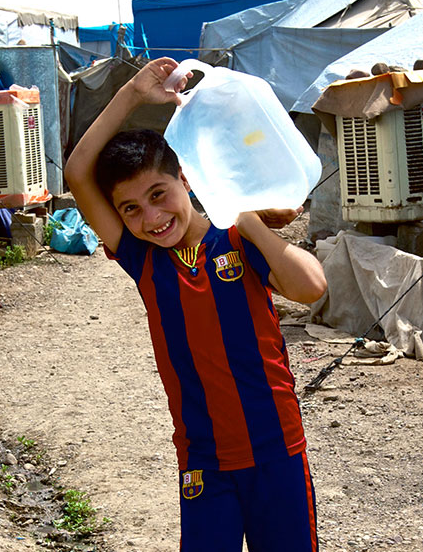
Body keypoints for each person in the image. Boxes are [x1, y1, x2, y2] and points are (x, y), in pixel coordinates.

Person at [64, 57, 327, 551]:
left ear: (187, 179)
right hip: (204, 461)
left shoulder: (237, 238)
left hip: (277, 449)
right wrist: (134, 94)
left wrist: (240, 209)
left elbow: (311, 286)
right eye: (132, 209)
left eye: (159, 194)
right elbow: (78, 171)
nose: (152, 217)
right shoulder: (143, 261)